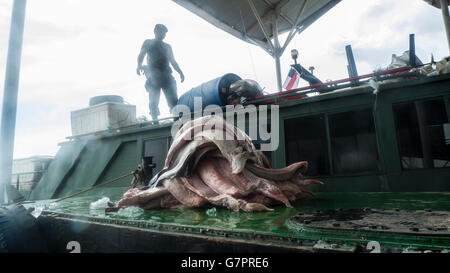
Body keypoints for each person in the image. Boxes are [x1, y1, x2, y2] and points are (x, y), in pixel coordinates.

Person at [136, 24, 184, 121]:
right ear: (155, 31)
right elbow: (141, 54)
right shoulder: (148, 42)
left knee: (173, 100)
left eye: (164, 33)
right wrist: (139, 65)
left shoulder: (167, 46)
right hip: (154, 76)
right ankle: (155, 121)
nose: (163, 34)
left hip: (167, 76)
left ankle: (176, 120)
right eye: (161, 31)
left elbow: (173, 61)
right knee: (153, 100)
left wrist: (180, 72)